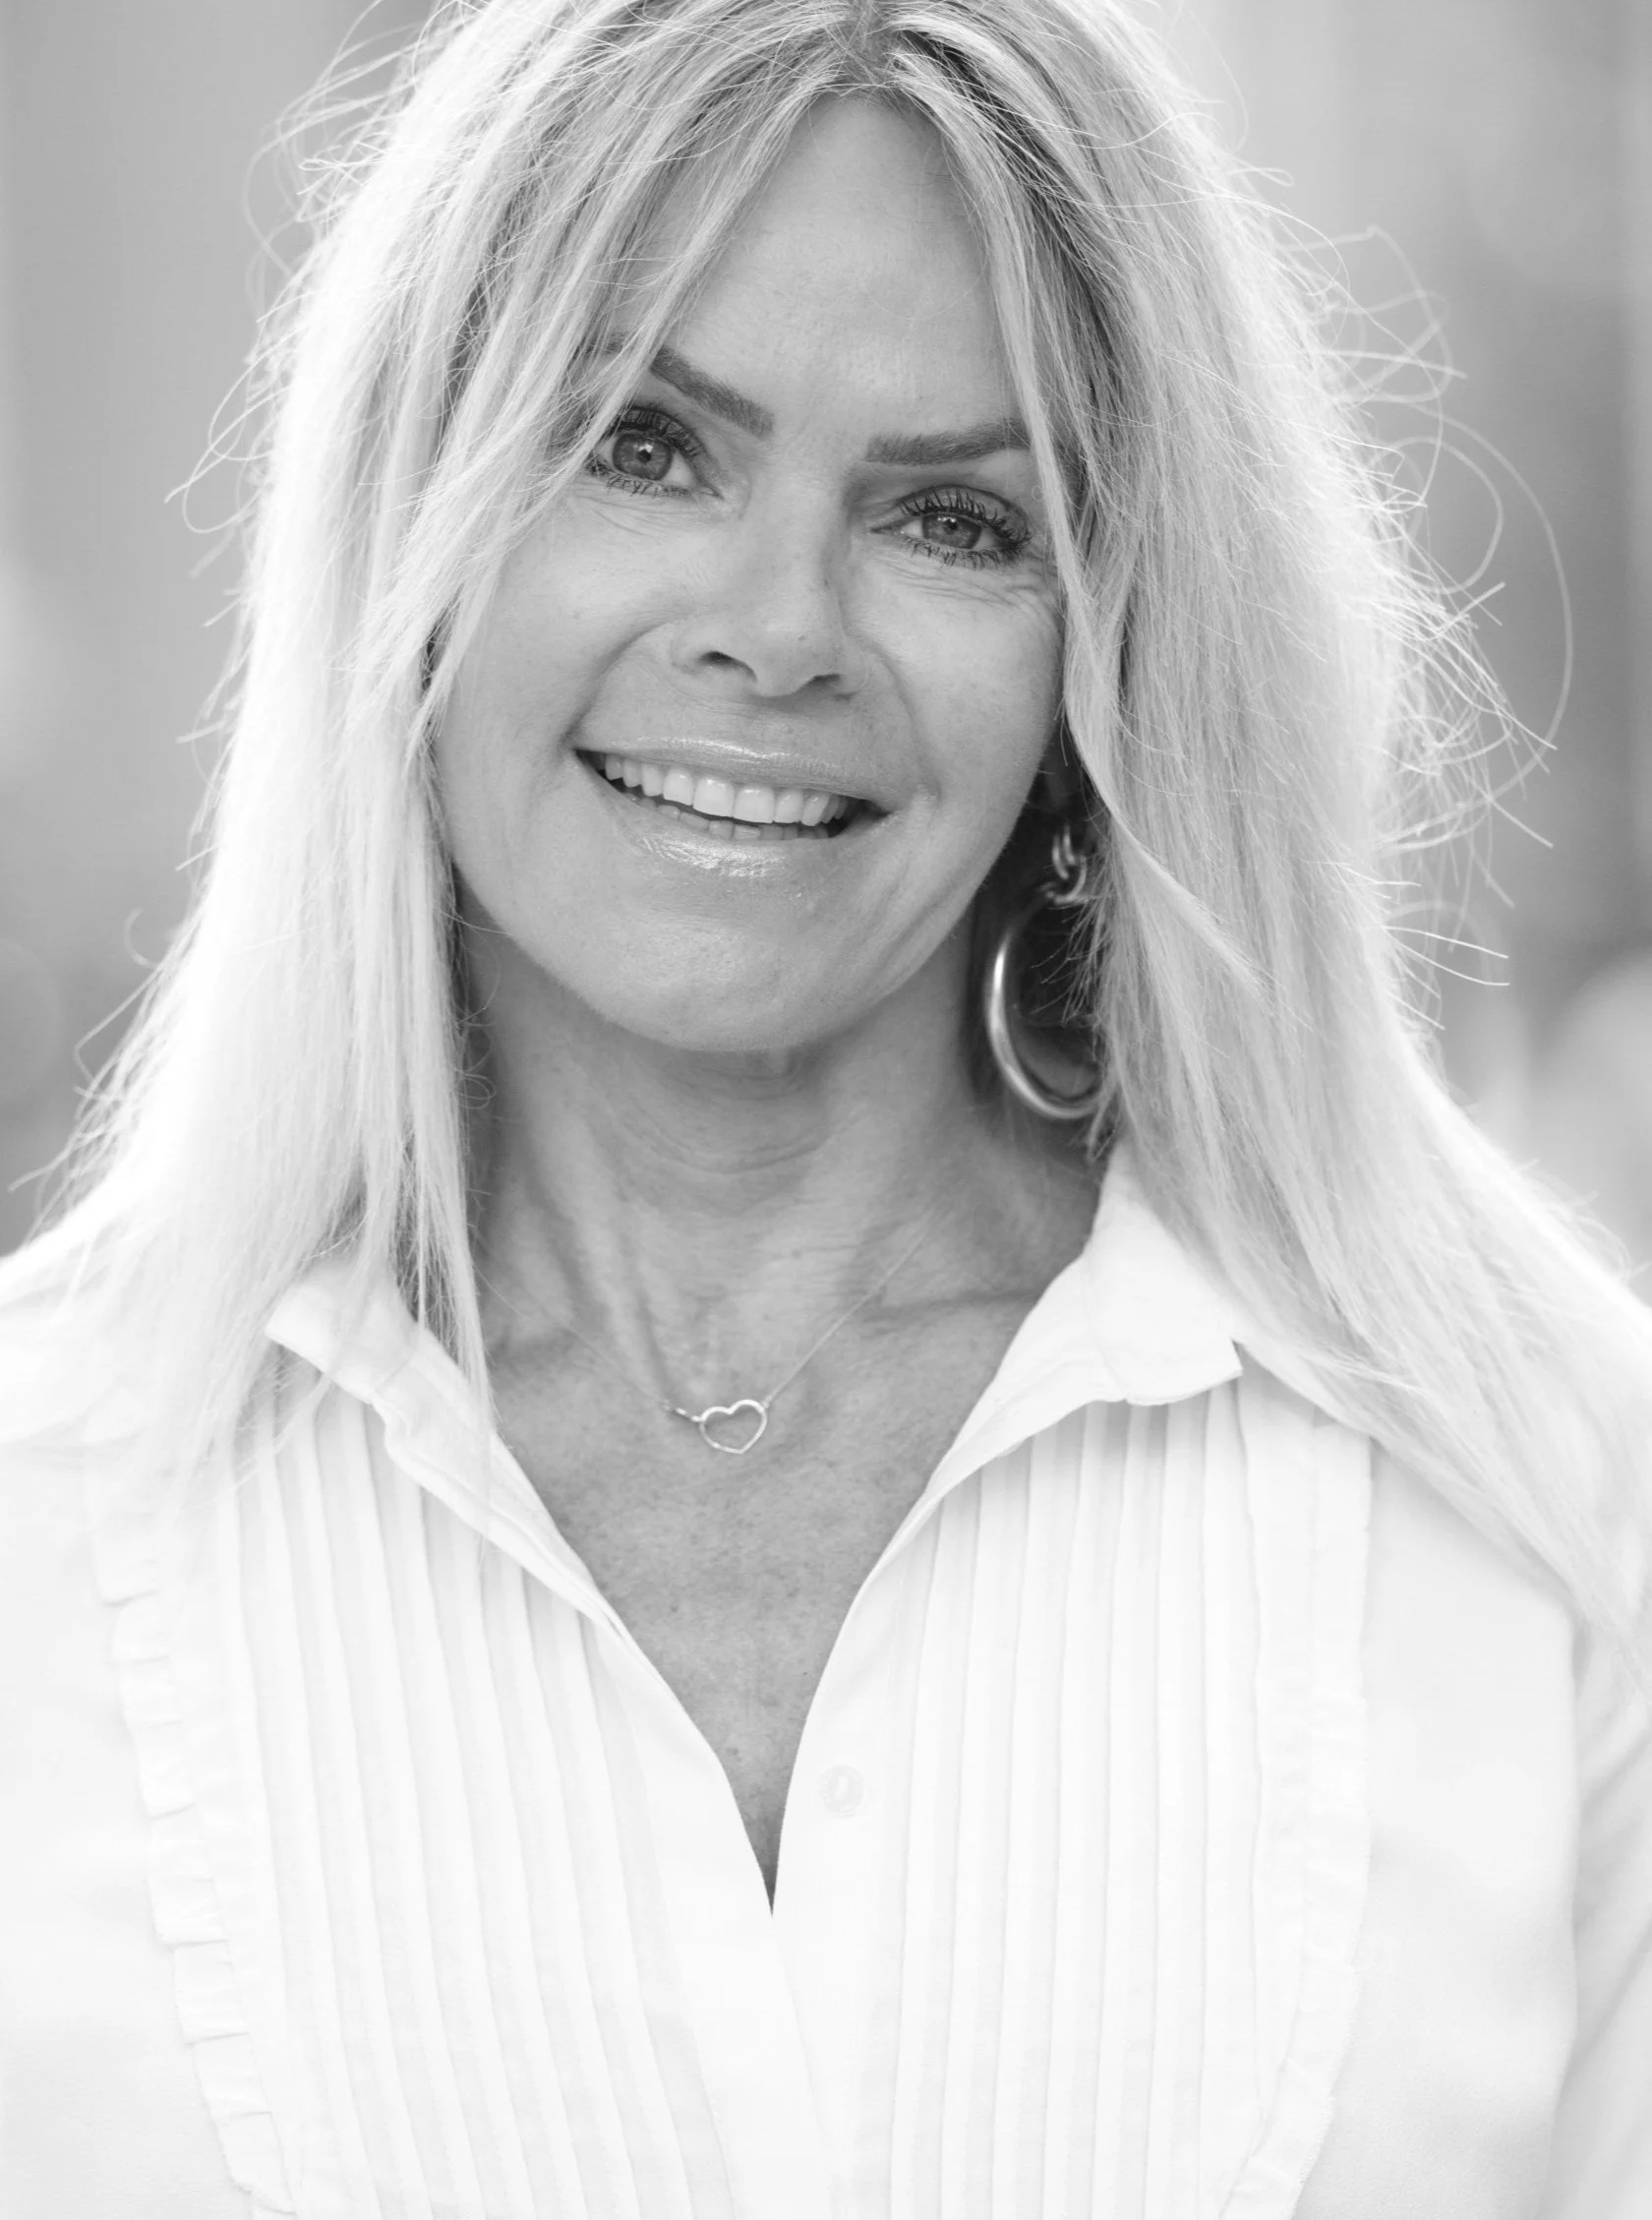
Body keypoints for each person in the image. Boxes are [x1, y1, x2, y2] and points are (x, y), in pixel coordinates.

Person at [2, 1, 1650, 2213]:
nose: (779, 632)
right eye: (642, 446)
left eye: (955, 516)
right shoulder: (45, 1510)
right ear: (407, 523)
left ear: (1107, 654)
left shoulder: (1541, 1501)